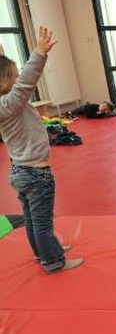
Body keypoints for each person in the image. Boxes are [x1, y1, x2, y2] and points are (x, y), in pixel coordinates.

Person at [0, 27, 83, 273]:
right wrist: (39, 53)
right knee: (43, 221)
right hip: (36, 174)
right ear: (6, 81)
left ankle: (44, 253)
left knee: (32, 219)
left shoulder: (5, 103)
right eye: (13, 76)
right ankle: (54, 261)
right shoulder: (10, 103)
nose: (17, 80)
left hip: (20, 171)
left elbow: (20, 84)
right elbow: (26, 82)